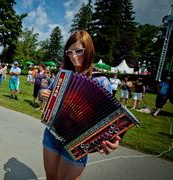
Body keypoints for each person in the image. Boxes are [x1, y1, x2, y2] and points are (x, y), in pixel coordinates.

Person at [40, 30, 121, 180]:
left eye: (78, 51)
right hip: (52, 134)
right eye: (69, 52)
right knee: (50, 178)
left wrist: (114, 140)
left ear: (88, 50)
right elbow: (48, 94)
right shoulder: (62, 75)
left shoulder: (102, 81)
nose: (74, 56)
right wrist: (43, 94)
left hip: (78, 144)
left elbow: (111, 119)